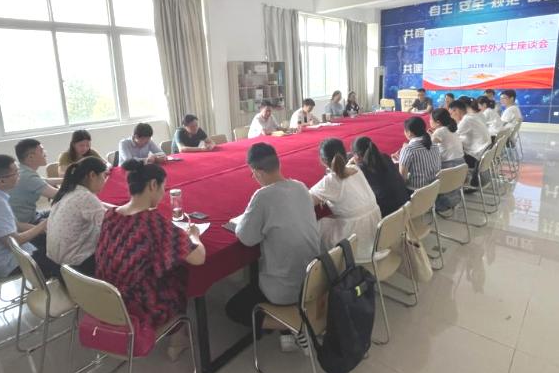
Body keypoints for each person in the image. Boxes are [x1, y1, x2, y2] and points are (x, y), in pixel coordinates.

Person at [96, 160, 206, 361]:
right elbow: (198, 258)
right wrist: (194, 236)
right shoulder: (152, 223)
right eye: (164, 187)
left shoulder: (111, 214)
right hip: (137, 305)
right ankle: (177, 339)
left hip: (106, 296)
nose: (164, 193)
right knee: (179, 275)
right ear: (153, 185)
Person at [226, 143, 320, 353]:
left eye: (253, 174)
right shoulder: (300, 186)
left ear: (258, 172)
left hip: (284, 289)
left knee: (234, 309)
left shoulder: (262, 196)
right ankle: (290, 326)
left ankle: (294, 325)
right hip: (314, 279)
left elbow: (246, 238)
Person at [0, 155, 58, 279]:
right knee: (62, 256)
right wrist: (42, 226)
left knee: (54, 243)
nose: (19, 175)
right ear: (2, 181)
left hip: (14, 253)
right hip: (10, 263)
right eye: (15, 173)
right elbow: (15, 242)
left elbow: (16, 225)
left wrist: (45, 229)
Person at [310, 138, 382, 263]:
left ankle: (323, 264)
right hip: (376, 234)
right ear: (346, 154)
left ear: (323, 160)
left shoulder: (330, 181)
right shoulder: (356, 169)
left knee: (318, 225)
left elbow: (306, 200)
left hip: (354, 238)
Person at [47, 157, 109, 277]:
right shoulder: (86, 197)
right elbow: (111, 225)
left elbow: (100, 207)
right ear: (92, 175)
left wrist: (116, 208)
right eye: (104, 176)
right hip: (76, 270)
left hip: (56, 266)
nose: (105, 181)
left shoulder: (69, 191)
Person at [349, 137, 409, 218]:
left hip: (387, 214)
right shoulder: (385, 157)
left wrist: (349, 163)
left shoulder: (361, 169)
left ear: (356, 156)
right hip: (405, 205)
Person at [9, 139, 60, 224]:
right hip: (27, 223)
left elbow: (44, 181)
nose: (45, 153)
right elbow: (58, 195)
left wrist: (69, 179)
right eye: (41, 151)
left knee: (57, 211)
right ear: (31, 157)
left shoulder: (22, 169)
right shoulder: (28, 177)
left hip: (32, 215)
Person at [449, 100, 491, 187]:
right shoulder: (471, 116)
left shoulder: (466, 120)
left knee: (449, 158)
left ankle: (455, 185)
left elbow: (453, 137)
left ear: (457, 111)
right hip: (485, 152)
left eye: (451, 113)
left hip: (476, 156)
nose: (451, 116)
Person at [430, 109, 466, 213]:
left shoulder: (440, 131)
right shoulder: (451, 129)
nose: (429, 121)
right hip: (461, 165)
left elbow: (428, 147)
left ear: (438, 122)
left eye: (430, 119)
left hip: (449, 167)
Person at [394, 116, 441, 191]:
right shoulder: (435, 145)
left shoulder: (408, 149)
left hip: (417, 191)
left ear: (409, 133)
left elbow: (402, 179)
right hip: (434, 189)